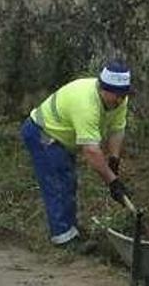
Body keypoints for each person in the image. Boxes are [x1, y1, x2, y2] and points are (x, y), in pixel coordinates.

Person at [20, 60, 133, 253]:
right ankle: (63, 237)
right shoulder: (86, 103)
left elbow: (117, 129)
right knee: (58, 182)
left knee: (68, 181)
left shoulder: (119, 100)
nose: (120, 100)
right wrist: (112, 182)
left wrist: (114, 160)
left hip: (63, 138)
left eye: (123, 95)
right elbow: (91, 151)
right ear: (102, 88)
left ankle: (69, 228)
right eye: (116, 95)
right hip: (43, 133)